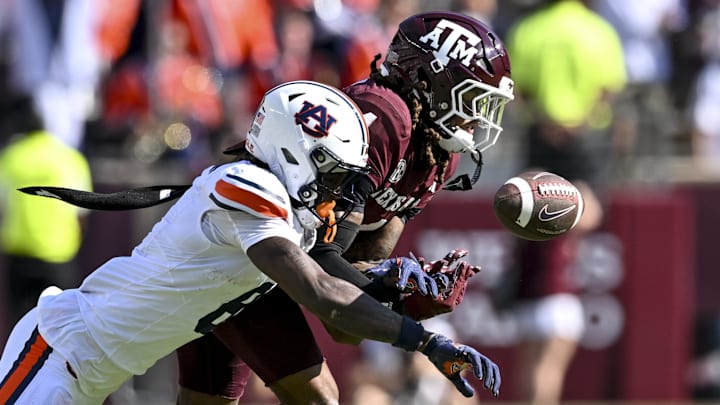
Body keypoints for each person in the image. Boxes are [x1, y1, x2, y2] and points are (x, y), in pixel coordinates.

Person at [0, 80, 501, 404]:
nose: (337, 188)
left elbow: (336, 292)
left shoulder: (288, 209)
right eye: (330, 169)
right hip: (61, 352)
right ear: (292, 149)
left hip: (91, 369)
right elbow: (323, 294)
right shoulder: (247, 187)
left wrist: (388, 283)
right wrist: (427, 342)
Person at [176, 11, 515, 405]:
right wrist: (400, 312)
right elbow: (323, 267)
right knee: (319, 398)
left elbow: (347, 301)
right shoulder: (385, 122)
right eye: (470, 98)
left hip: (265, 260)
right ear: (427, 81)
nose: (476, 118)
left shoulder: (435, 153)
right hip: (239, 245)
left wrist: (394, 291)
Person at [503, 1, 624, 403]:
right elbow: (609, 88)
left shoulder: (529, 28)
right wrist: (582, 121)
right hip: (585, 140)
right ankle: (548, 277)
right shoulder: (597, 28)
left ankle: (533, 278)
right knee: (586, 211)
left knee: (529, 210)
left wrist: (547, 121)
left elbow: (517, 89)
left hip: (541, 134)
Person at [0, 96, 92, 327]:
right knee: (60, 331)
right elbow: (82, 213)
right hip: (58, 255)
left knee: (19, 330)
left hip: (20, 255)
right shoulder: (69, 158)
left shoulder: (12, 157)